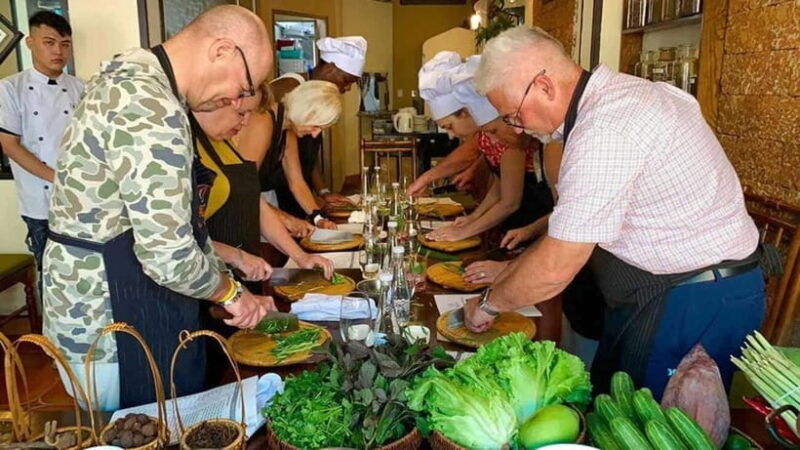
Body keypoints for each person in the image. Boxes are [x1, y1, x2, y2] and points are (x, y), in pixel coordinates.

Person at [466, 26, 764, 400]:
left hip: (695, 298)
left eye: (512, 114)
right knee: (615, 403)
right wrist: (511, 272)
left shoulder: (606, 128)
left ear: (544, 86)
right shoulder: (621, 98)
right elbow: (573, 228)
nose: (517, 127)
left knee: (656, 428)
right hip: (669, 290)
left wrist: (489, 304)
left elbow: (558, 264)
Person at [43, 5, 275, 410]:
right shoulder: (149, 106)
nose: (234, 100)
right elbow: (168, 255)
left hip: (113, 307)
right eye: (242, 88)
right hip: (112, 324)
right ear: (222, 51)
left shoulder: (136, 78)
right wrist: (232, 292)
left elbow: (181, 225)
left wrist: (221, 282)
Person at [192, 97, 334, 385]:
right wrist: (235, 259)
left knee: (257, 364)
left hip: (242, 276)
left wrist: (301, 257)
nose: (244, 122)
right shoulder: (191, 148)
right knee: (222, 372)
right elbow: (185, 237)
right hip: (209, 282)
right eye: (240, 112)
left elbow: (254, 204)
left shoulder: (225, 144)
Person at [419, 53, 554, 244]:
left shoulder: (550, 145)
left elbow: (515, 203)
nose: (491, 141)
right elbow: (501, 186)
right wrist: (472, 219)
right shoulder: (508, 137)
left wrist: (465, 231)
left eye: (492, 130)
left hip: (540, 240)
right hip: (523, 234)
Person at [0, 11, 83, 297]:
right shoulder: (10, 88)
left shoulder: (80, 87)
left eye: (65, 44)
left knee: (85, 275)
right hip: (41, 203)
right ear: (30, 42)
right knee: (52, 276)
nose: (58, 51)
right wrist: (58, 178)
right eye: (49, 42)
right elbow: (10, 144)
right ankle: (52, 341)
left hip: (81, 199)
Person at [269, 36, 367, 215]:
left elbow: (306, 155)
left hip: (296, 188)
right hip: (272, 194)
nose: (347, 89)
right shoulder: (289, 88)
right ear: (330, 68)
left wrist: (324, 192)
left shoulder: (314, 101)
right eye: (347, 80)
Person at [237, 80, 343, 230]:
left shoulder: (287, 128)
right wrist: (286, 219)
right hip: (239, 207)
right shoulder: (263, 122)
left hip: (258, 204)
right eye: (316, 126)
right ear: (306, 111)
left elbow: (297, 183)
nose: (315, 135)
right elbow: (242, 187)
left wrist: (318, 218)